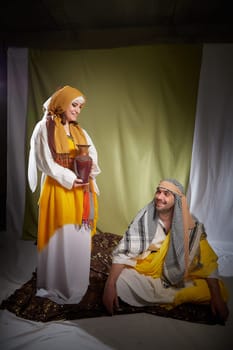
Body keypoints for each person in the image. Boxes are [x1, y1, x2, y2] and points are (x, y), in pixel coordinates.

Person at [103, 178, 229, 323]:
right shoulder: (146, 218)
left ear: (177, 200)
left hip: (178, 270)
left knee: (220, 292)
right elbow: (125, 252)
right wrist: (110, 285)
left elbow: (207, 261)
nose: (159, 197)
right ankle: (169, 294)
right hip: (148, 269)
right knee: (121, 281)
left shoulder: (189, 224)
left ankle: (169, 293)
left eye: (166, 194)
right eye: (158, 191)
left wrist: (216, 297)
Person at [28, 85, 101, 304]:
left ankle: (77, 283)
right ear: (62, 103)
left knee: (78, 238)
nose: (78, 110)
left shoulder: (80, 131)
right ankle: (56, 283)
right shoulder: (44, 127)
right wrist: (71, 179)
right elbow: (45, 162)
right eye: (74, 104)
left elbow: (93, 155)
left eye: (80, 106)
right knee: (61, 239)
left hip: (81, 191)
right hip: (59, 191)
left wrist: (87, 172)